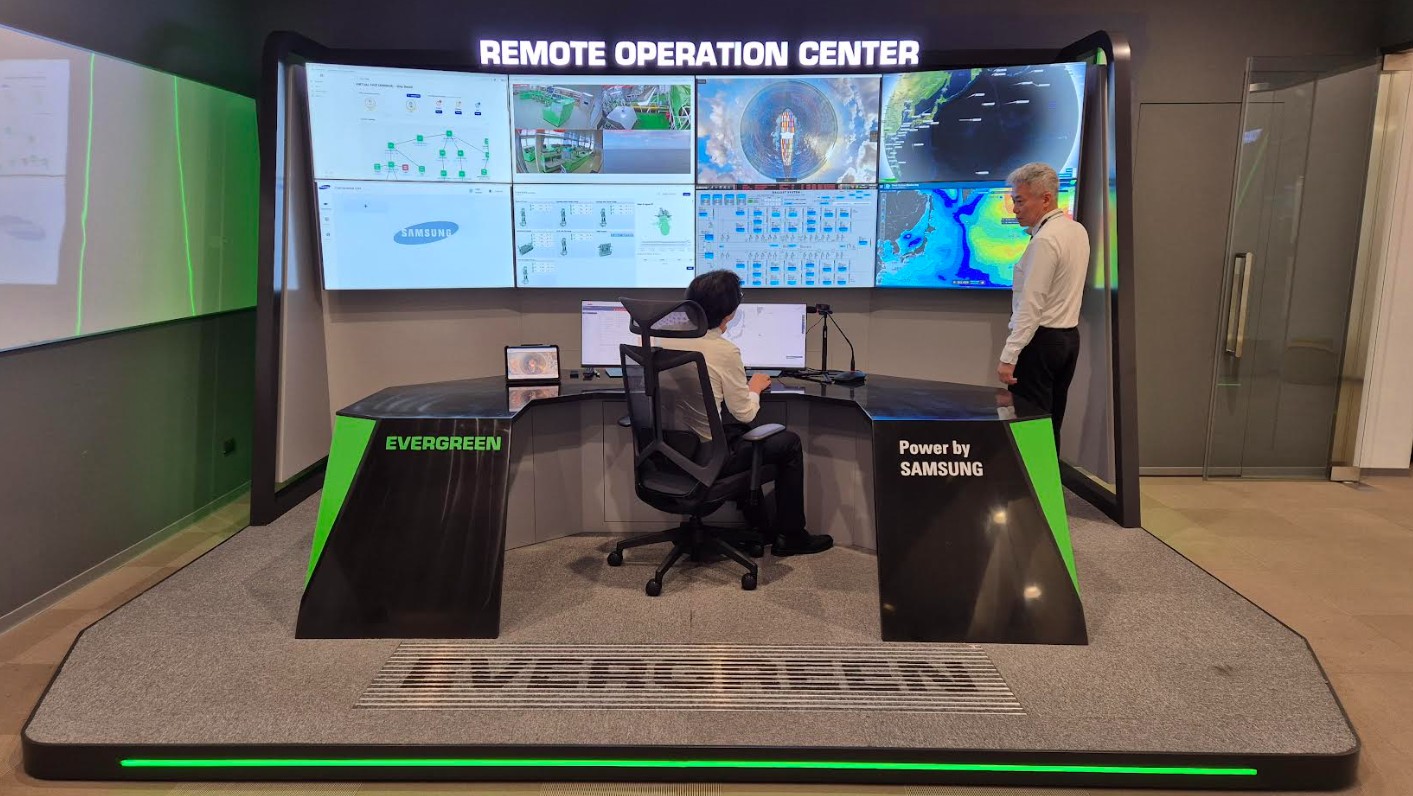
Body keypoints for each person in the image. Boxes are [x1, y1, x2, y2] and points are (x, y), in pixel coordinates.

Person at [662, 270, 832, 556]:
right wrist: (754, 388)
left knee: (738, 435)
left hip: (667, 453)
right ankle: (791, 536)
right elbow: (744, 413)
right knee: (787, 443)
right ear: (730, 313)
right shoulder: (723, 350)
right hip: (706, 458)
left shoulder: (662, 338)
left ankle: (760, 527)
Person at [997, 162, 1091, 447]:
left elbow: (1031, 306)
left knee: (1030, 422)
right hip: (1068, 341)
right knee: (1051, 421)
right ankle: (1048, 475)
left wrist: (1009, 356)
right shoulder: (1077, 231)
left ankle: (1032, 477)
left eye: (1020, 201)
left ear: (1046, 198)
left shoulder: (1045, 240)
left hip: (1040, 344)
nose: (1015, 209)